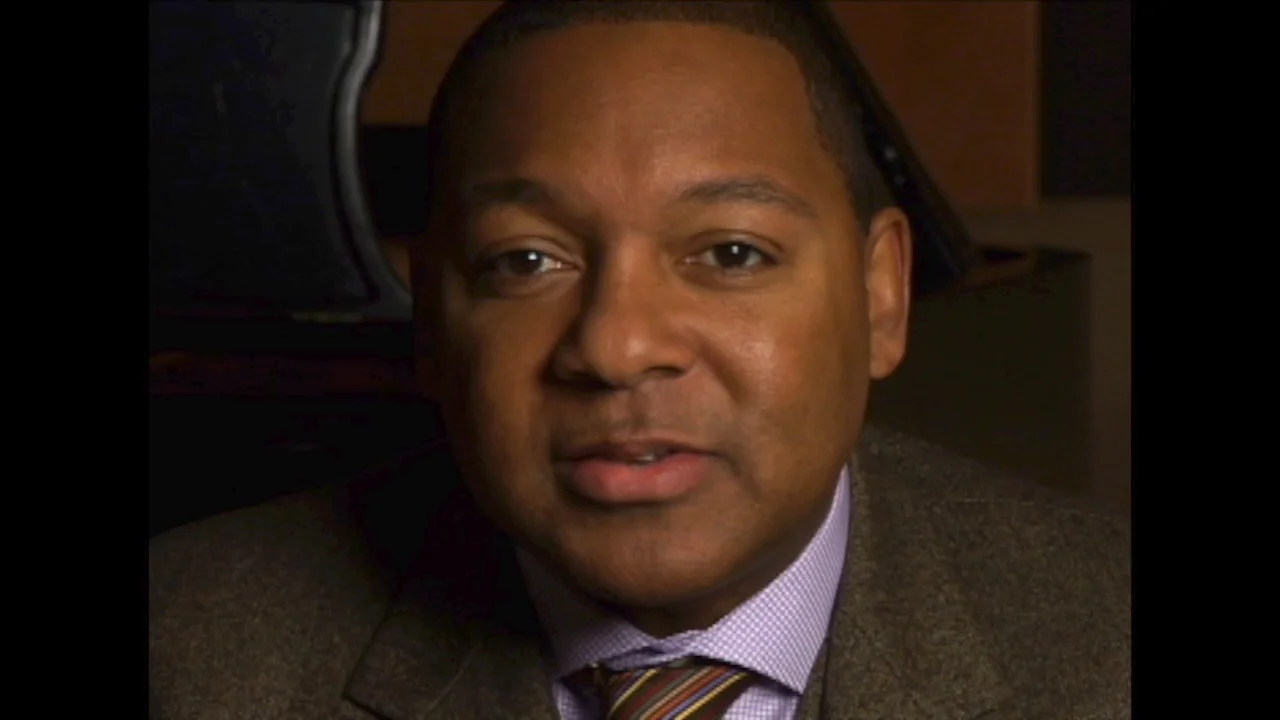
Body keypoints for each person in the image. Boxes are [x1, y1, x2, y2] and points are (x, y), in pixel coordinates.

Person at [148, 3, 1130, 719]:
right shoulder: (183, 651)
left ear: (881, 294)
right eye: (526, 261)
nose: (615, 349)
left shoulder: (1107, 641)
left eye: (730, 253)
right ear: (433, 317)